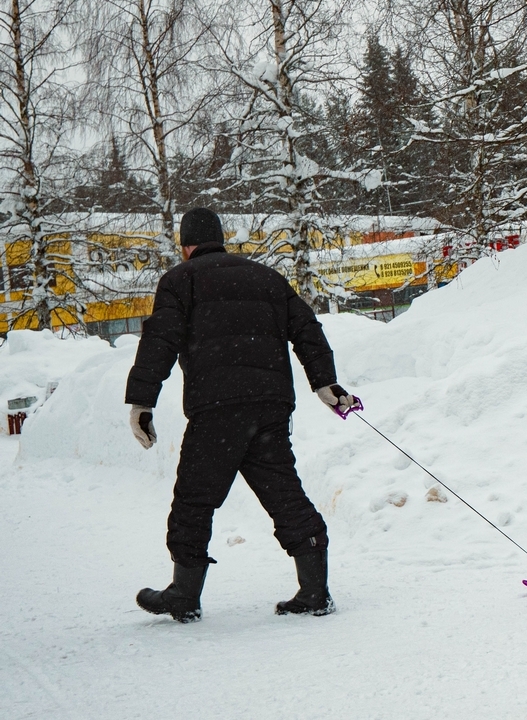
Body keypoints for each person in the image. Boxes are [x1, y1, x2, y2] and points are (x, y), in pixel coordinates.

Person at [125, 207, 359, 623]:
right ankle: (314, 590)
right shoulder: (266, 278)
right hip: (269, 406)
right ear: (219, 238)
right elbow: (307, 329)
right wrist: (326, 384)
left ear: (186, 245)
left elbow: (160, 339)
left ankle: (184, 592)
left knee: (195, 499)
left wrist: (142, 402)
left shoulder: (181, 280)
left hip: (218, 409)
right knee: (283, 492)